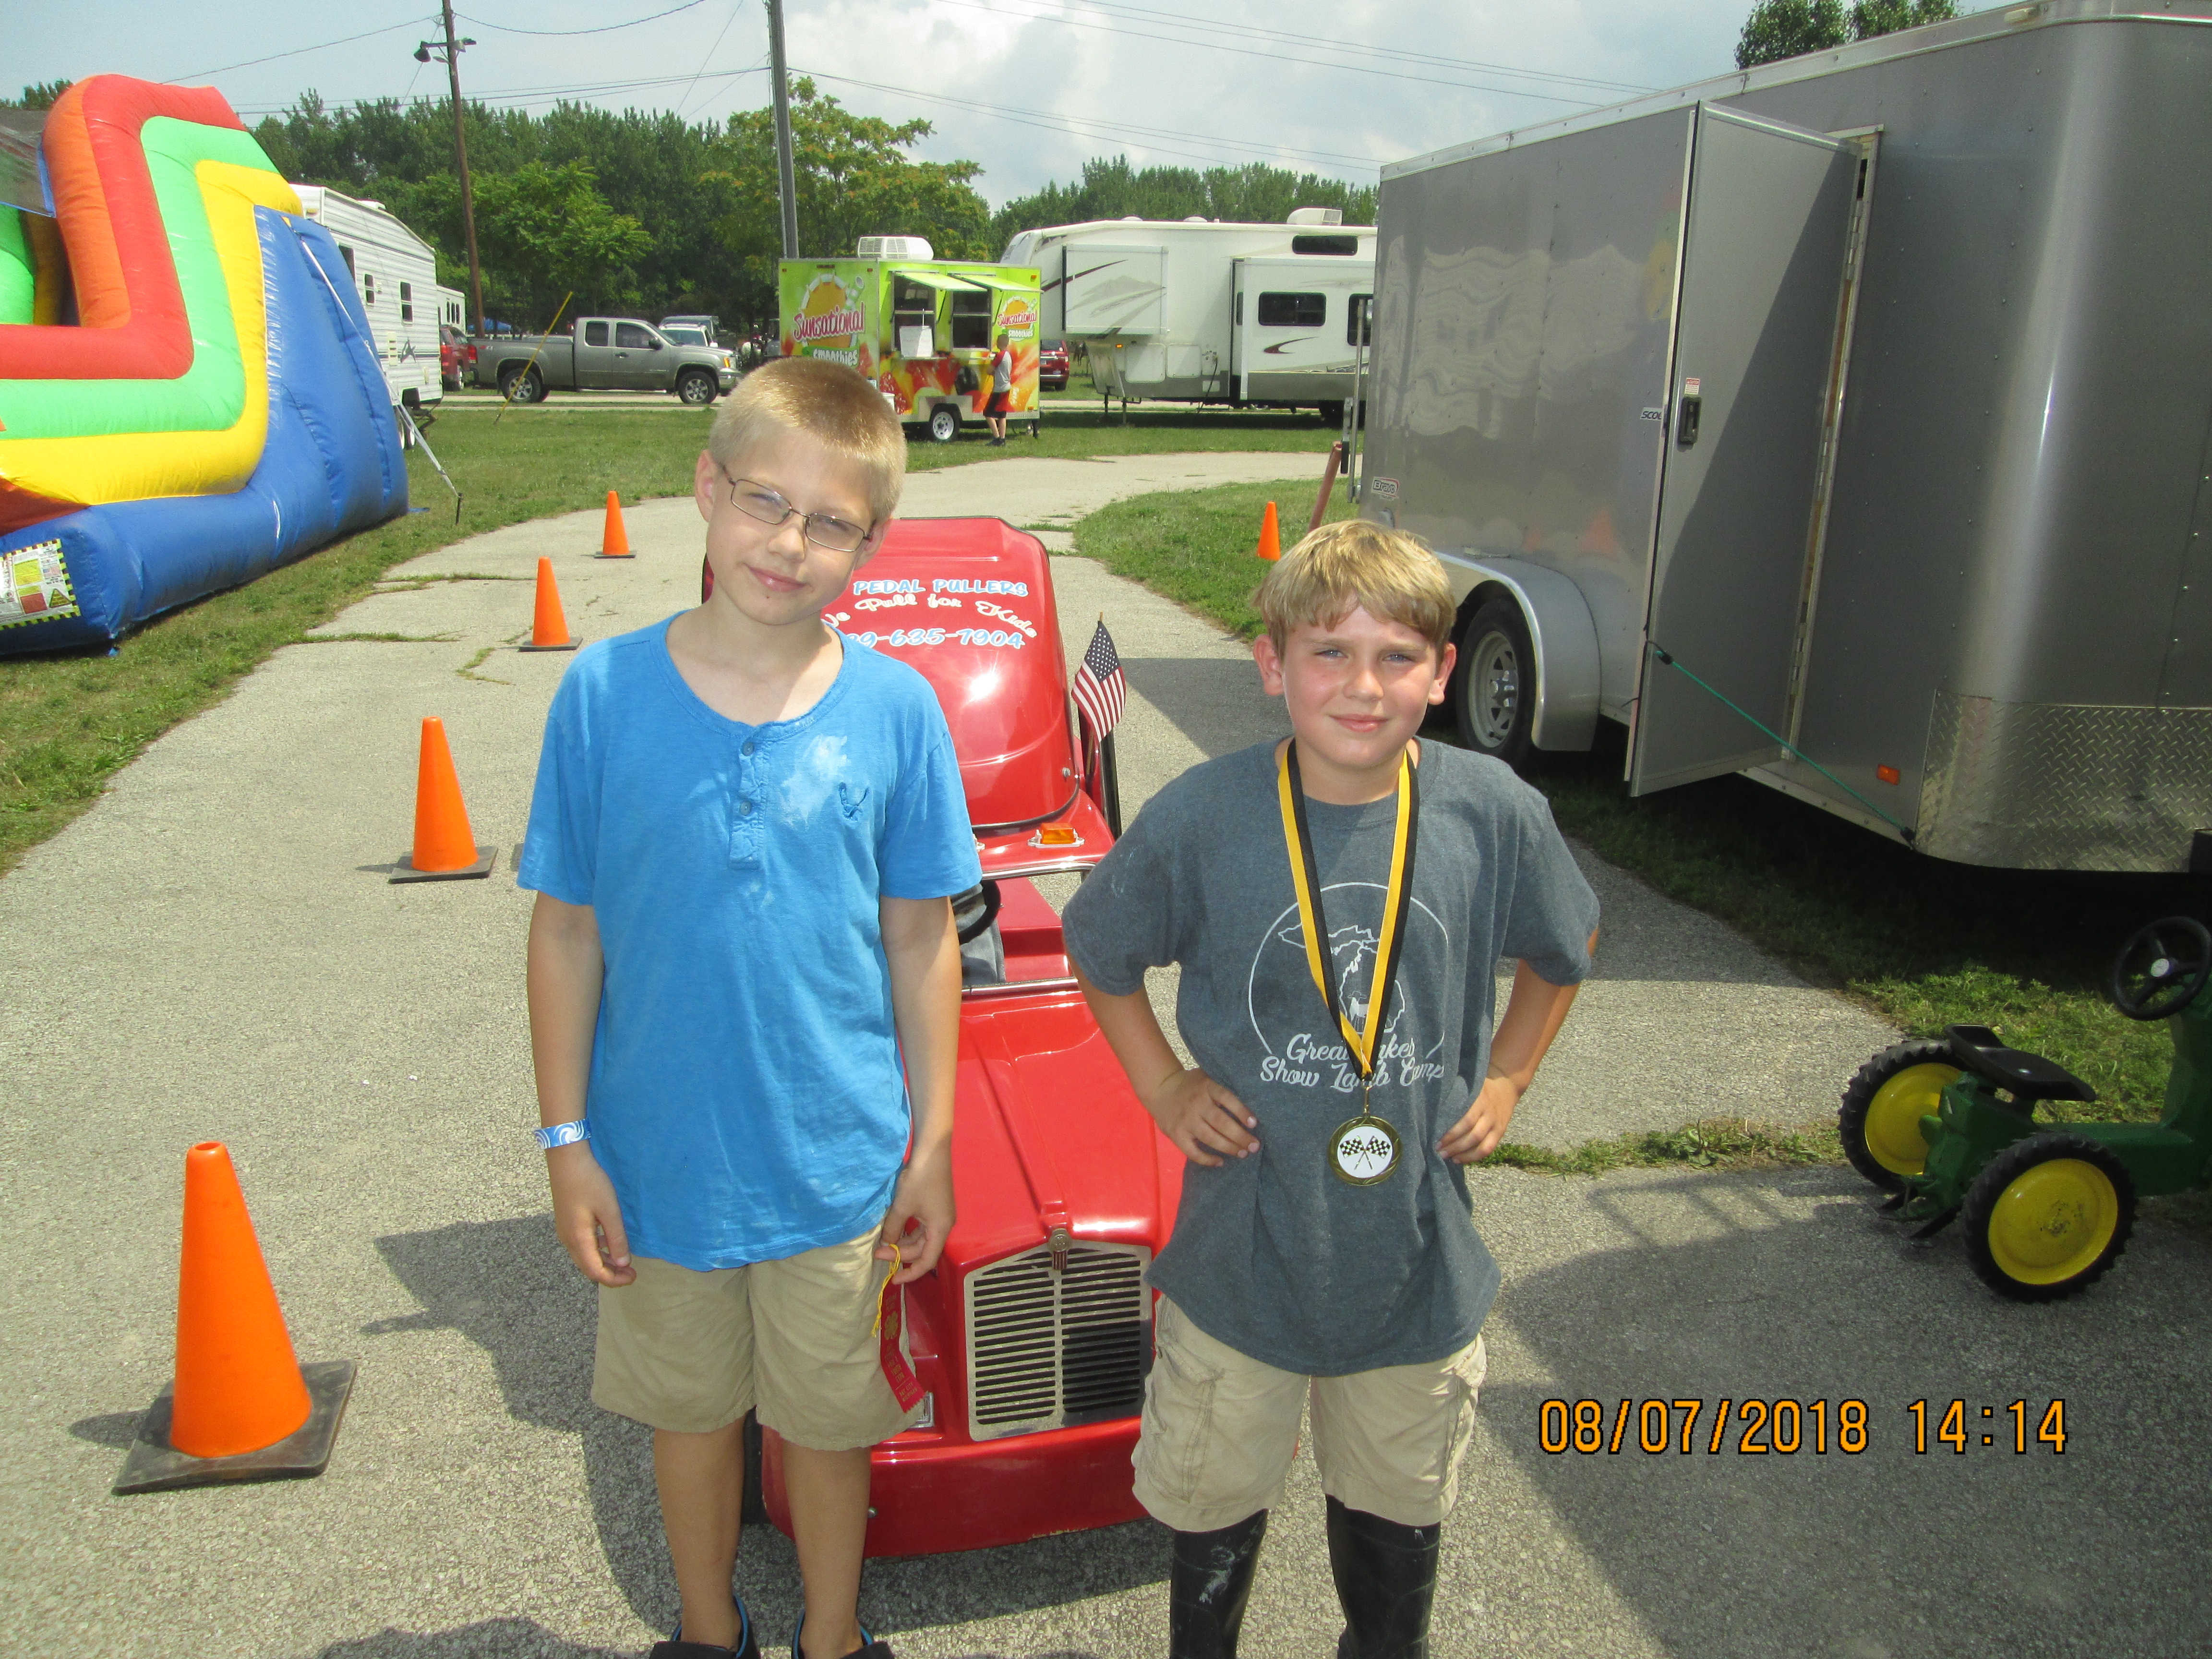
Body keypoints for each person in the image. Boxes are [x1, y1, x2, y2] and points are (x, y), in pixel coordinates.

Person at [1062, 519, 1600, 1659]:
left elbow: (1567, 943)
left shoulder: (1492, 810)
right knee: (1214, 1500)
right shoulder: (1205, 815)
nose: (1364, 685)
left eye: (1397, 656)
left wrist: (1509, 1074)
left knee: (1397, 1508)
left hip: (1414, 1259)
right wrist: (1164, 1083)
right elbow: (1098, 947)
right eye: (1329, 652)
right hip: (1242, 1252)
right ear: (1272, 664)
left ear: (1443, 672)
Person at [521, 356, 978, 1659]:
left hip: (836, 1170)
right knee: (691, 1418)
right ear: (708, 487)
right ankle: (707, 1628)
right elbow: (566, 931)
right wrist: (567, 1143)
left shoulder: (897, 710)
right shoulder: (602, 694)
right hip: (658, 1168)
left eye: (831, 521)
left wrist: (934, 1144)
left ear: (871, 544)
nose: (789, 543)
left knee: (829, 1428)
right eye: (765, 501)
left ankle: (832, 1635)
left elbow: (920, 938)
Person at [983, 329, 1013, 445]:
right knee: (1002, 415)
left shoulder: (1000, 356)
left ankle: (997, 438)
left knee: (988, 413)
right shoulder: (1008, 355)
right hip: (1007, 387)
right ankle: (1003, 439)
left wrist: (993, 372)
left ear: (1000, 343)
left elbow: (989, 370)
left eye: (997, 341)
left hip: (999, 389)